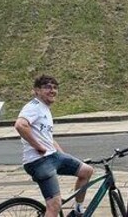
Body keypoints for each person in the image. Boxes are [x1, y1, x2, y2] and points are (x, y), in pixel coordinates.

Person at [14, 75, 94, 217]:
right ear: (37, 91)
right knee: (54, 206)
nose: (52, 90)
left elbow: (48, 138)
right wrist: (38, 146)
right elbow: (20, 125)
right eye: (47, 87)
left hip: (52, 156)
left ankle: (78, 211)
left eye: (55, 87)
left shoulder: (45, 109)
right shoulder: (33, 107)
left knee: (86, 171)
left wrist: (63, 155)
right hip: (39, 161)